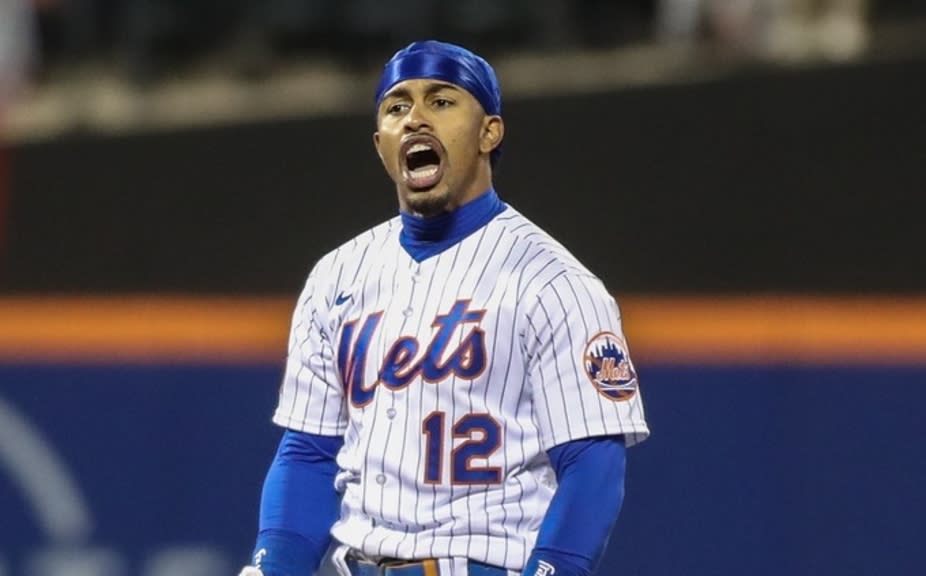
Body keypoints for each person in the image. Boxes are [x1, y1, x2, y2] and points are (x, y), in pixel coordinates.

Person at [239, 40, 649, 576]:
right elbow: (309, 453)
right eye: (397, 106)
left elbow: (594, 465)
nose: (414, 119)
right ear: (380, 144)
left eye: (441, 101)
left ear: (488, 132)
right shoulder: (336, 276)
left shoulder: (555, 283)